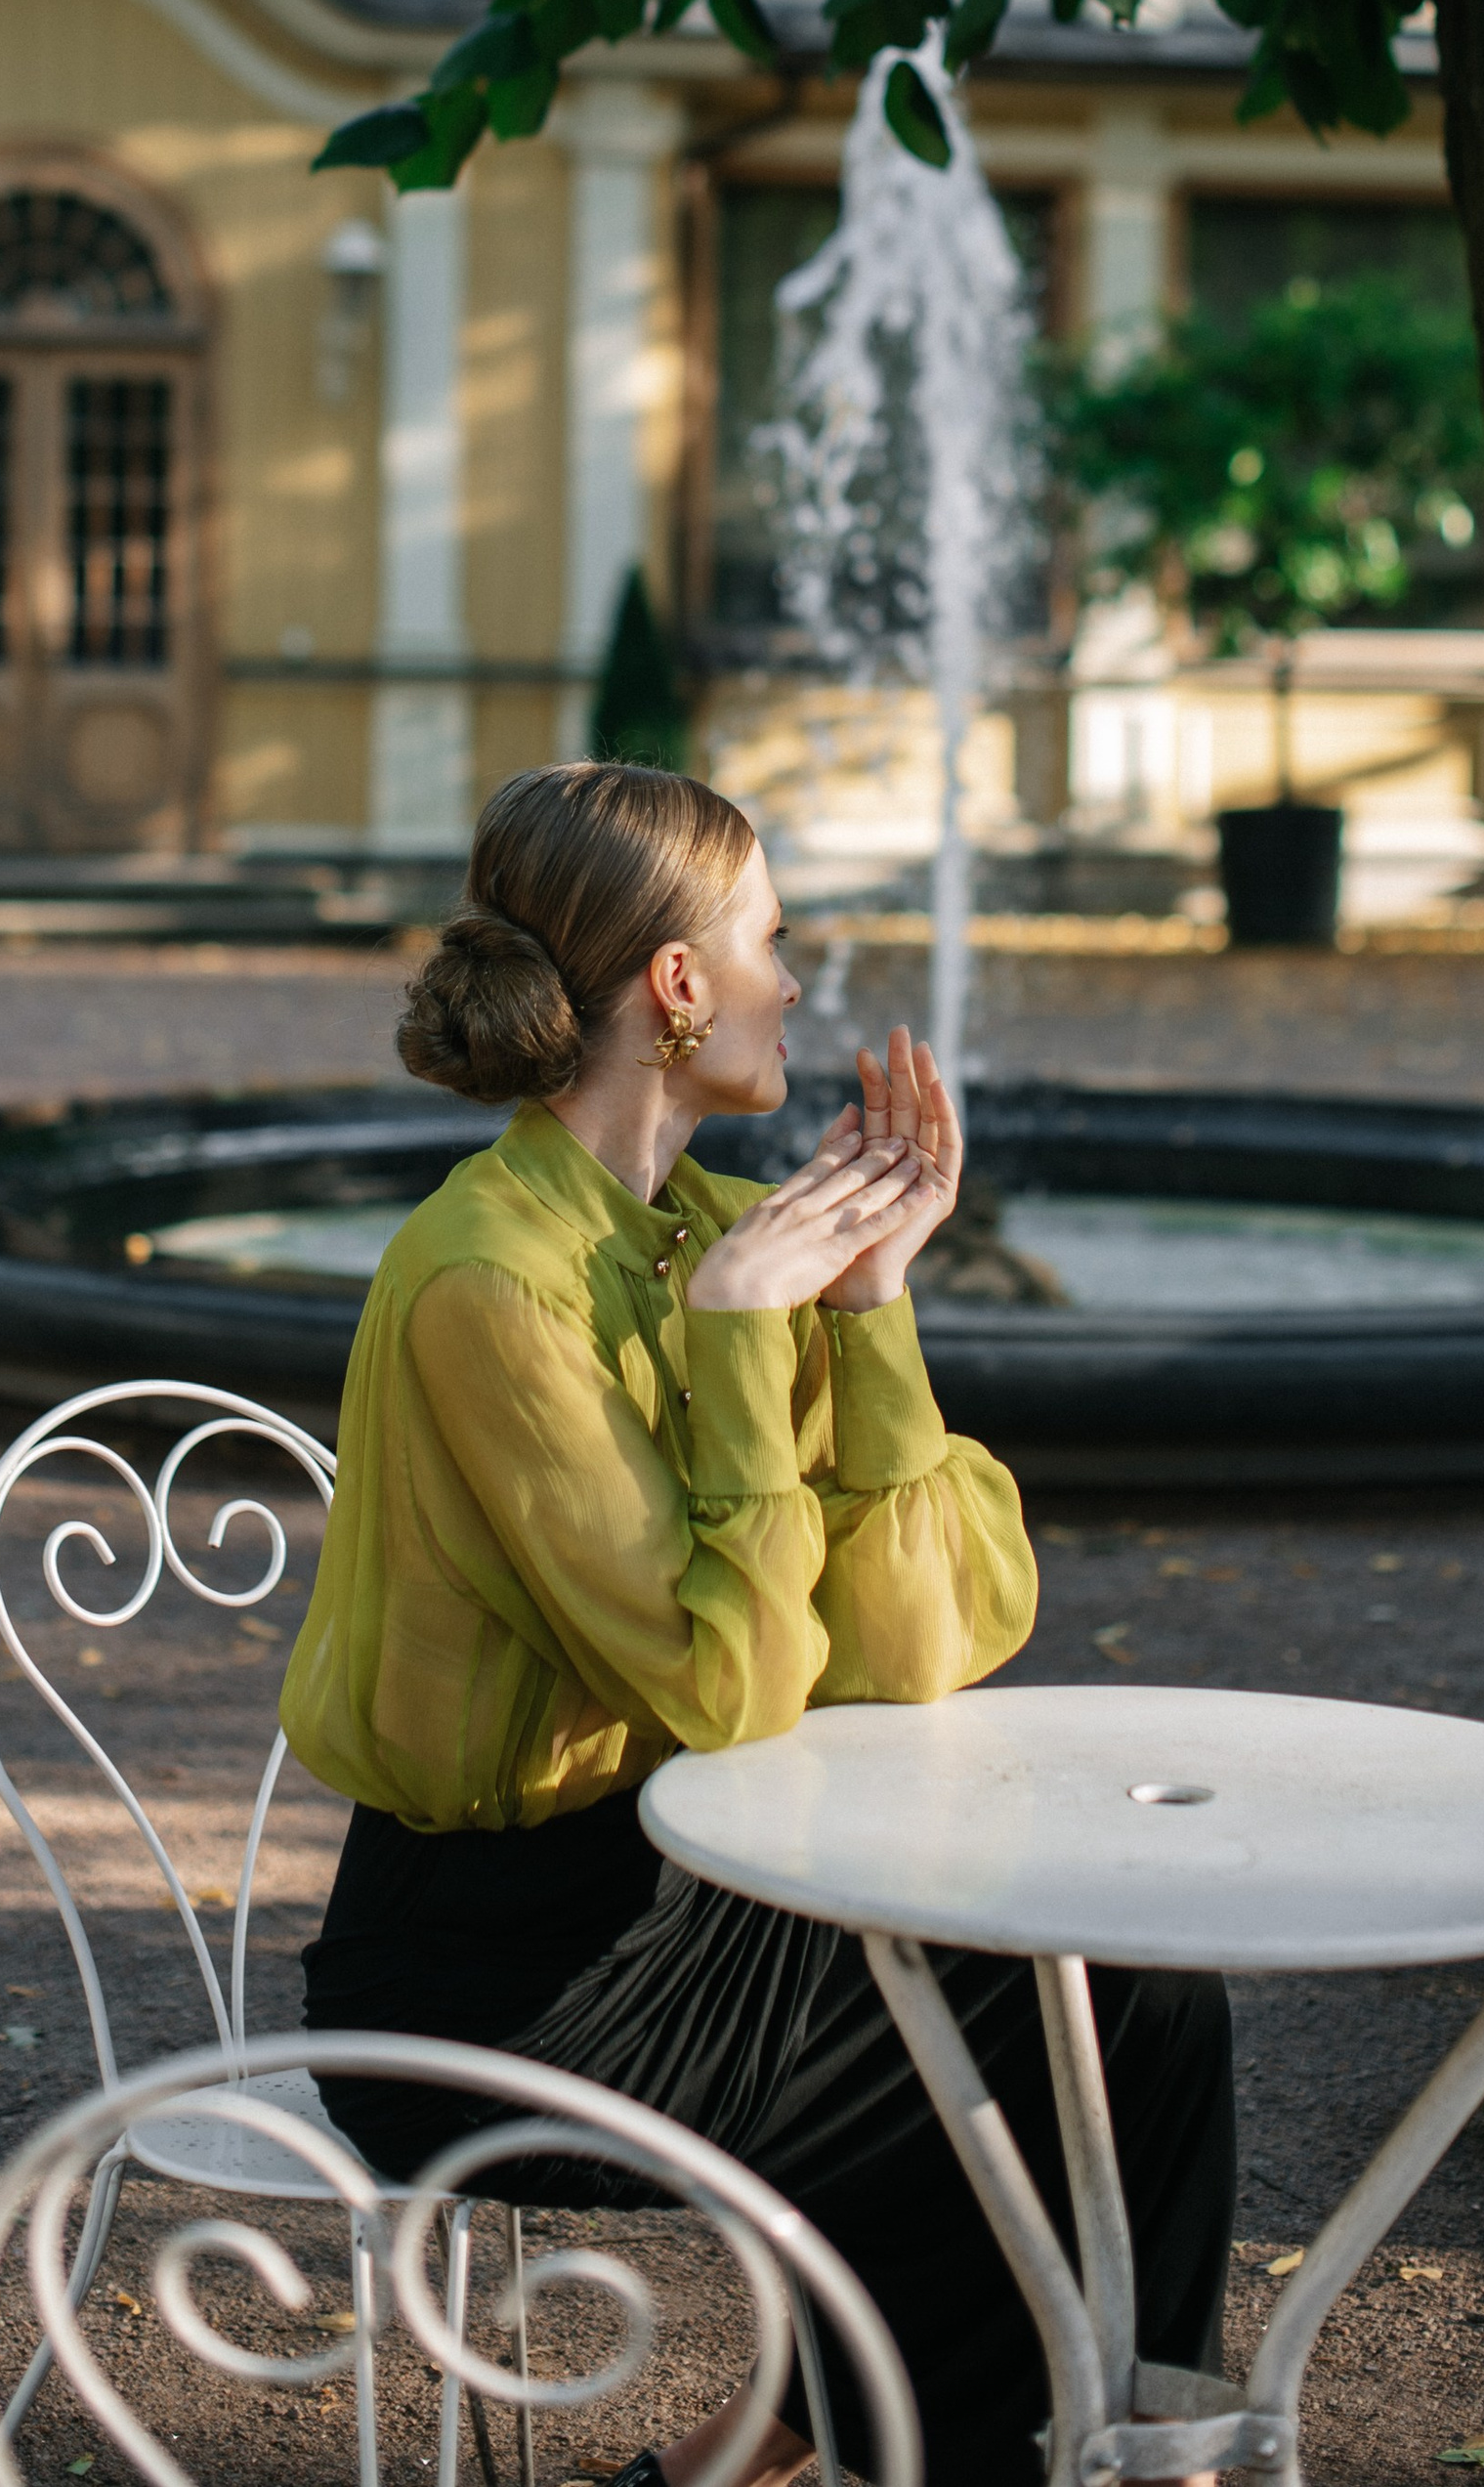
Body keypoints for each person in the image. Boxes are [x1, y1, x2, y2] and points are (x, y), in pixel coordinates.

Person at [282, 760, 1235, 2487]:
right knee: (1013, 2062)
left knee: (1134, 1983)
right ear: (676, 986)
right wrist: (737, 1342)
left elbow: (932, 1640)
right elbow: (734, 1691)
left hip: (699, 1894)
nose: (797, 983)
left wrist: (868, 1310)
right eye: (772, 940)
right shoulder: (487, 1284)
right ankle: (975, 2453)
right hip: (497, 1982)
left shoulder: (730, 1235)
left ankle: (1118, 2437)